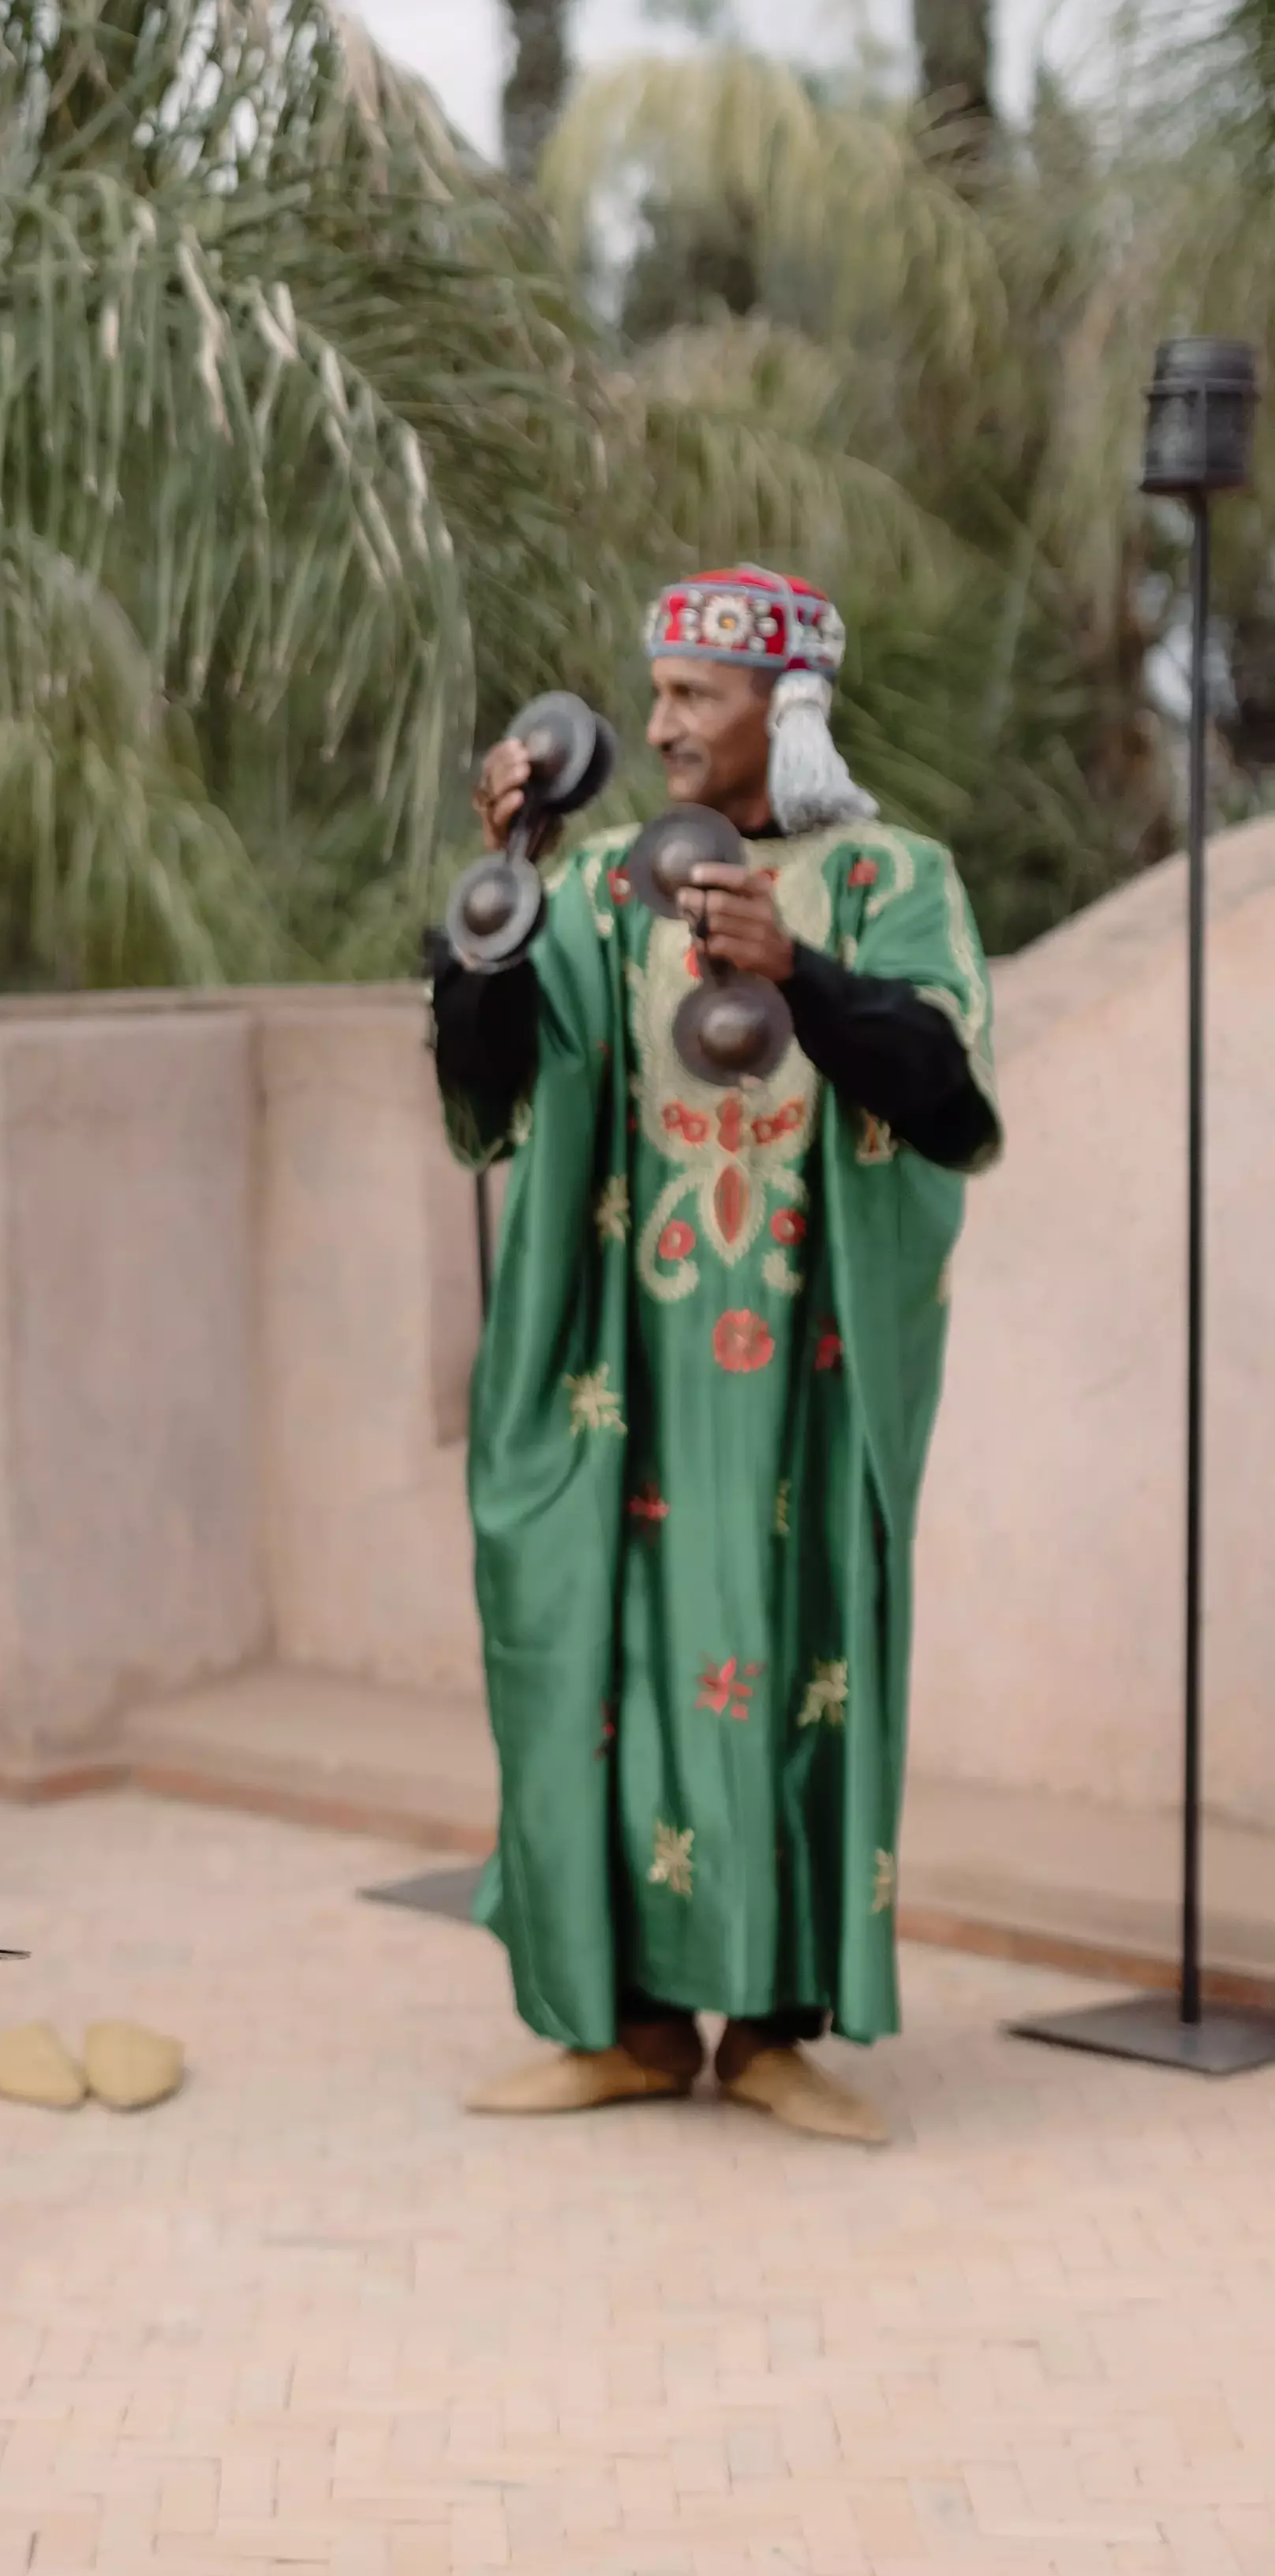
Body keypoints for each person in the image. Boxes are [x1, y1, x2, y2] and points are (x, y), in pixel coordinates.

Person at [433, 566, 1000, 2143]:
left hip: (807, 1388)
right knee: (592, 1671)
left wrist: (799, 967)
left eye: (696, 693)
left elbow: (951, 1099)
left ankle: (764, 2028)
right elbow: (488, 1088)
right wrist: (505, 884)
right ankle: (616, 2023)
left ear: (786, 707)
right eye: (659, 690)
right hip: (619, 1378)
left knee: (794, 1673)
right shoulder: (611, 882)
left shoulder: (893, 879)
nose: (661, 720)